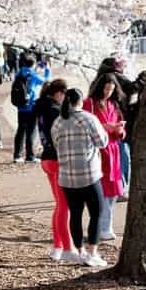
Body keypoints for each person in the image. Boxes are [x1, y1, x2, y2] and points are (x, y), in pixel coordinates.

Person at [51, 87, 109, 267]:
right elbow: (102, 142)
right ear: (80, 101)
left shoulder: (58, 122)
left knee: (75, 214)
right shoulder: (88, 119)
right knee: (97, 213)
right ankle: (92, 252)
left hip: (67, 176)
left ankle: (79, 250)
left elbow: (55, 144)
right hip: (88, 174)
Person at [34, 78, 76, 261]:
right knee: (65, 206)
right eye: (65, 96)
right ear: (59, 93)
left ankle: (58, 247)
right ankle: (67, 248)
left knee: (60, 205)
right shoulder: (54, 111)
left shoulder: (42, 107)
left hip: (47, 159)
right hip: (58, 160)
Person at [86, 72, 127, 241]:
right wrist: (104, 126)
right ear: (100, 87)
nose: (108, 92)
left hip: (113, 151)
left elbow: (122, 133)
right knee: (101, 191)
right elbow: (85, 125)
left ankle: (106, 226)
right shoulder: (90, 104)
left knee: (114, 191)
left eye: (111, 89)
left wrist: (119, 131)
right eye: (106, 89)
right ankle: (101, 227)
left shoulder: (113, 105)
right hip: (98, 151)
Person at [96, 56, 139, 190]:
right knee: (122, 156)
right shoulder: (114, 77)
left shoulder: (101, 80)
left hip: (112, 126)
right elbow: (132, 89)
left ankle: (118, 186)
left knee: (116, 157)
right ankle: (122, 187)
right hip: (115, 126)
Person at [9, 55, 49, 163]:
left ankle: (17, 155)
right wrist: (47, 70)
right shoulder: (34, 75)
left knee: (21, 130)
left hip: (21, 106)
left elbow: (28, 73)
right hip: (32, 106)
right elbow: (46, 82)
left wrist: (35, 68)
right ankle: (30, 155)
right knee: (31, 131)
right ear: (34, 64)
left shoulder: (19, 73)